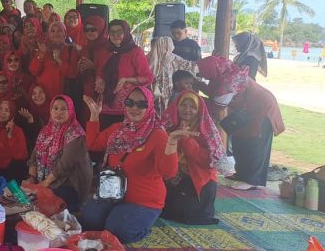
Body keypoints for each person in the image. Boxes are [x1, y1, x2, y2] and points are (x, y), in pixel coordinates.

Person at [81, 86, 180, 244]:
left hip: (143, 200)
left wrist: (172, 142)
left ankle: (143, 223)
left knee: (117, 230)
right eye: (130, 102)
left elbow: (169, 172)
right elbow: (93, 144)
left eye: (141, 104)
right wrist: (94, 115)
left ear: (149, 106)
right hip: (112, 193)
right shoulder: (118, 129)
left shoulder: (158, 134)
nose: (134, 108)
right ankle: (117, 215)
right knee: (89, 219)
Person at [196, 56, 284, 190]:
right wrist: (198, 85)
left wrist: (194, 98)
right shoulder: (224, 74)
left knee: (255, 144)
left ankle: (252, 180)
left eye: (204, 72)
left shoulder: (230, 81)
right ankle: (242, 174)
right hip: (247, 111)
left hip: (262, 110)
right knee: (240, 141)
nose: (203, 75)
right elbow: (214, 93)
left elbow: (217, 105)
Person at [161, 91, 223, 225]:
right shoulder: (167, 126)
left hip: (199, 177)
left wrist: (186, 139)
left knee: (189, 213)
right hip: (173, 175)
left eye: (192, 106)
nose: (187, 110)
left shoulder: (207, 131)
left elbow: (205, 160)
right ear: (176, 106)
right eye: (183, 105)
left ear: (199, 110)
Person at [25, 95, 92, 212]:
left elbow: (64, 166)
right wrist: (31, 178)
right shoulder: (46, 131)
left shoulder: (76, 134)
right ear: (50, 111)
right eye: (55, 108)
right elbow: (34, 156)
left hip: (68, 183)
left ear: (70, 111)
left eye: (63, 109)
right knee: (24, 199)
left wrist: (44, 184)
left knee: (44, 206)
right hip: (46, 180)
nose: (59, 112)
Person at [96, 20, 154, 130]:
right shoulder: (107, 51)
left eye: (119, 32)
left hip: (128, 105)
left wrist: (127, 80)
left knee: (123, 134)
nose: (115, 35)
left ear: (126, 33)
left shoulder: (136, 52)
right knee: (106, 133)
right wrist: (100, 80)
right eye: (112, 32)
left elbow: (148, 77)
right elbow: (100, 72)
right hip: (106, 103)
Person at [147, 36, 197, 116]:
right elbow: (190, 66)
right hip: (166, 91)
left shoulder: (148, 58)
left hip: (150, 90)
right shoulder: (172, 58)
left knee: (153, 109)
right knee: (166, 109)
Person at [0, 99, 28, 182]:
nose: (2, 112)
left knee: (18, 166)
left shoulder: (17, 130)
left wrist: (10, 136)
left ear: (12, 114)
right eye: (0, 109)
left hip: (13, 171)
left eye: (7, 110)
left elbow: (21, 156)